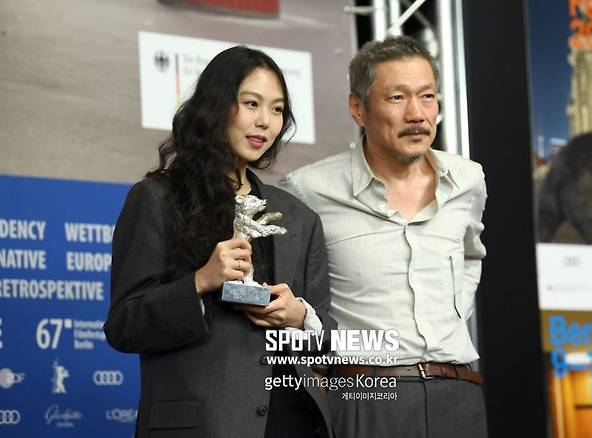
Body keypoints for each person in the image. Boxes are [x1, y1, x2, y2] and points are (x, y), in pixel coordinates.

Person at [104, 46, 335, 438]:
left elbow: (328, 340)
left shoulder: (299, 217)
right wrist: (201, 281)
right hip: (201, 425)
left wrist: (298, 318)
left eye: (277, 109)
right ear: (215, 105)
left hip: (292, 419)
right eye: (251, 103)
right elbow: (125, 324)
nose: (265, 121)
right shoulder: (157, 198)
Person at [281, 36, 488, 437]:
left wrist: (453, 314)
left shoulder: (468, 179)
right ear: (358, 108)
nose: (417, 114)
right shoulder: (309, 190)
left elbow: (470, 256)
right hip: (365, 395)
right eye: (397, 97)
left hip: (458, 394)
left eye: (427, 96)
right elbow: (286, 299)